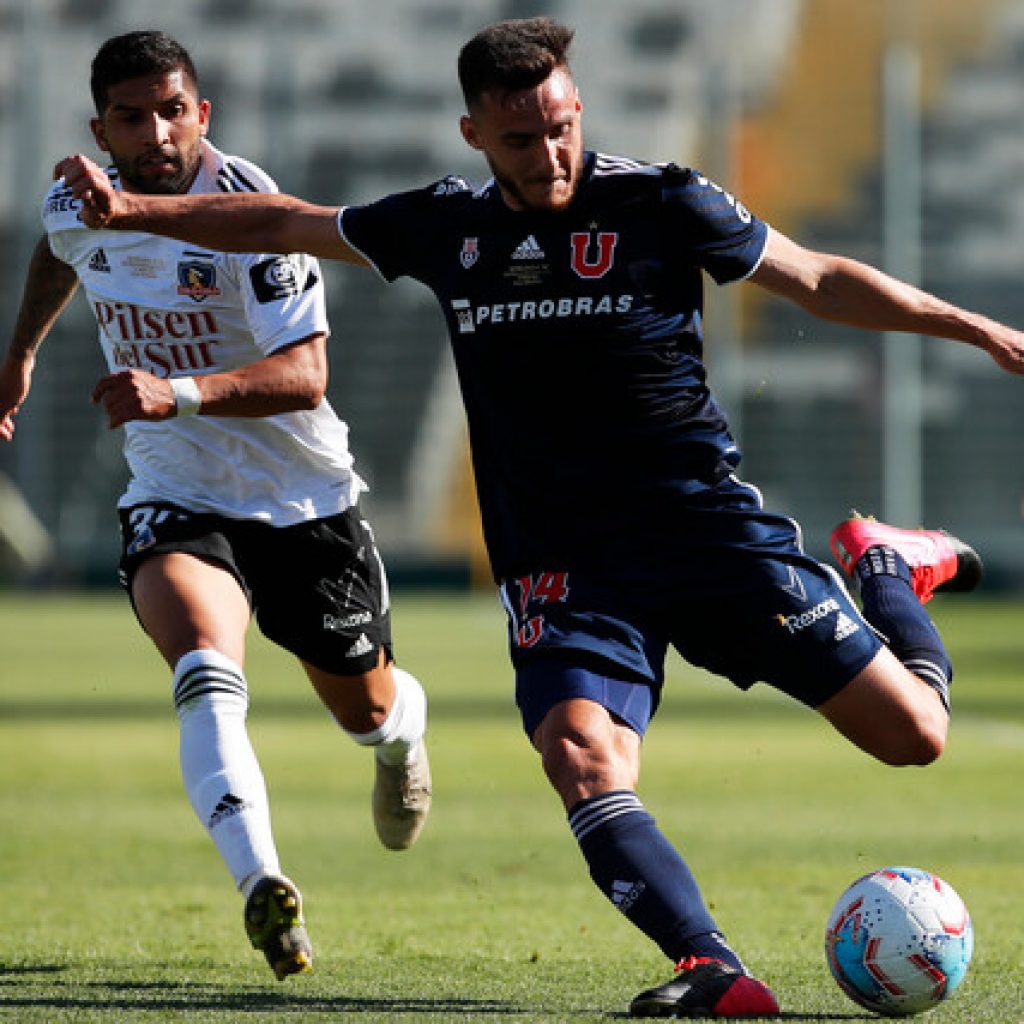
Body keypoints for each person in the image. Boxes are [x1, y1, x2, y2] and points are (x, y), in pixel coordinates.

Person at [53, 17, 1024, 1017]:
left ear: (578, 110)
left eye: (561, 127)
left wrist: (973, 325)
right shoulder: (447, 227)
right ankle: (710, 966)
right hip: (563, 561)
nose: (549, 153)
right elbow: (281, 222)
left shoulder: (662, 200)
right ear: (474, 134)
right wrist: (128, 211)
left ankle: (887, 570)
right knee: (578, 755)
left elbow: (816, 278)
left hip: (704, 536)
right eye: (520, 138)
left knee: (915, 735)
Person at [0, 31, 433, 983]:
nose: (154, 133)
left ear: (202, 113)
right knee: (201, 663)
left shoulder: (250, 210)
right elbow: (59, 250)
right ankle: (263, 882)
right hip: (175, 490)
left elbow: (306, 375)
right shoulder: (77, 198)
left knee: (365, 709)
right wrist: (22, 354)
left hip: (301, 497)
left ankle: (403, 734)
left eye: (170, 111)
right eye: (130, 117)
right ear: (100, 130)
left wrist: (178, 393)